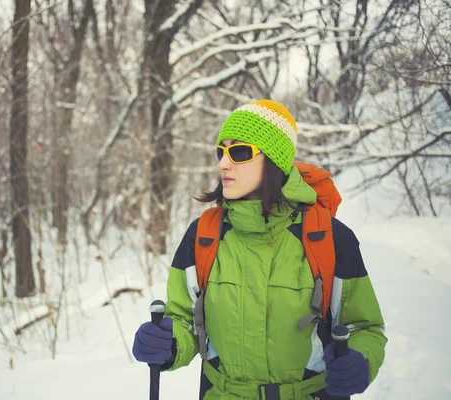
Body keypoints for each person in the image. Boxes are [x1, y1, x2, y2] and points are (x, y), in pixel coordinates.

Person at [132, 100, 387, 400]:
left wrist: (361, 361)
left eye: (239, 152)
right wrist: (168, 343)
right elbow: (184, 319)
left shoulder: (330, 238)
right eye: (221, 151)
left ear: (275, 160)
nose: (222, 163)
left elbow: (365, 327)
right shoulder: (202, 236)